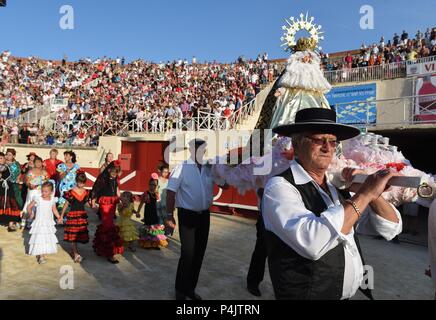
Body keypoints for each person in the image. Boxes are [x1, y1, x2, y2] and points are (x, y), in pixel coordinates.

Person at [263, 108, 402, 300]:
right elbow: (313, 242)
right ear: (296, 143)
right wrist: (364, 193)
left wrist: (372, 194)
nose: (327, 148)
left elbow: (391, 228)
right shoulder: (279, 187)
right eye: (319, 140)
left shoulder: (336, 187)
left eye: (332, 142)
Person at [165, 139, 227, 300]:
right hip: (187, 215)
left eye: (203, 149)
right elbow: (171, 192)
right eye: (198, 149)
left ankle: (190, 289)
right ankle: (180, 290)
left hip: (204, 216)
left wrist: (222, 170)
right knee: (188, 254)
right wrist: (169, 215)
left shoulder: (209, 169)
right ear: (192, 151)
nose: (201, 152)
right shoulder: (182, 167)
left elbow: (225, 186)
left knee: (199, 254)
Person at [91, 160, 124, 264]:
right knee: (108, 225)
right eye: (113, 171)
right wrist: (92, 202)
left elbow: (117, 190)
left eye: (116, 171)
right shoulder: (103, 178)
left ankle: (100, 248)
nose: (115, 173)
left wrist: (120, 200)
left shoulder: (115, 179)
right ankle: (110, 253)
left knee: (107, 226)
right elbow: (95, 189)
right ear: (109, 170)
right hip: (105, 203)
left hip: (113, 203)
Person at [27, 182, 62, 264]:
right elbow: (29, 207)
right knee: (39, 238)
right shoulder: (38, 198)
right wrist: (31, 214)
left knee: (46, 238)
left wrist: (59, 217)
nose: (43, 193)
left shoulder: (52, 200)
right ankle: (41, 255)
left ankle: (43, 253)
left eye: (46, 191)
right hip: (39, 222)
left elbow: (54, 210)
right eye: (42, 191)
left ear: (51, 192)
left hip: (48, 222)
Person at [60, 171, 90, 263]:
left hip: (81, 216)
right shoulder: (71, 192)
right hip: (73, 215)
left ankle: (74, 252)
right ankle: (76, 254)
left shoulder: (86, 192)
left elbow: (87, 203)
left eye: (82, 182)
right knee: (73, 235)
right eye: (79, 182)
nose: (80, 184)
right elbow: (66, 204)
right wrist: (61, 216)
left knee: (77, 235)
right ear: (76, 181)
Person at [246, 188, 268, 297]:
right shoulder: (264, 170)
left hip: (287, 216)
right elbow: (259, 189)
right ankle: (253, 282)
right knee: (261, 250)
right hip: (266, 216)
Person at [138, 174, 168, 250]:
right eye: (151, 184)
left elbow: (159, 204)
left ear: (157, 186)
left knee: (155, 227)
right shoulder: (146, 193)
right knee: (148, 227)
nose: (152, 186)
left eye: (154, 185)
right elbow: (141, 202)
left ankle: (155, 243)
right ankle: (147, 243)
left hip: (155, 214)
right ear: (148, 184)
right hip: (148, 213)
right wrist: (138, 211)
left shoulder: (157, 194)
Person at [22, 156, 49, 229]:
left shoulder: (44, 172)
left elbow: (47, 183)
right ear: (34, 163)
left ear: (42, 163)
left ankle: (35, 222)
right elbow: (27, 182)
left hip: (41, 192)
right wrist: (30, 185)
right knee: (29, 205)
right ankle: (25, 221)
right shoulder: (30, 171)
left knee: (39, 207)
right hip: (32, 192)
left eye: (39, 162)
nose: (38, 164)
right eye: (36, 162)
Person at [0, 152, 22, 232]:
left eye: (1, 158)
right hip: (1, 187)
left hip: (7, 188)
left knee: (11, 204)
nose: (0, 160)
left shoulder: (5, 167)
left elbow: (2, 170)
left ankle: (11, 224)